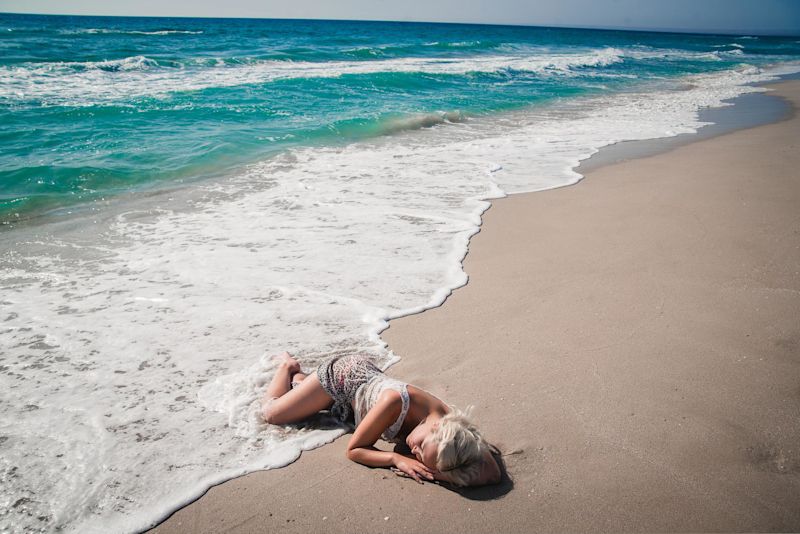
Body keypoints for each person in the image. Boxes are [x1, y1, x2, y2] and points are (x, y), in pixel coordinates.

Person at [261, 352, 501, 486]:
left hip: (361, 394)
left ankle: (301, 382)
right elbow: (354, 449)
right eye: (421, 446)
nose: (414, 450)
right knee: (272, 414)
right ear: (437, 427)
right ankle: (287, 366)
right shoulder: (394, 402)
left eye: (419, 455)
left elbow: (492, 474)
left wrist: (445, 473)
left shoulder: (456, 432)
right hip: (343, 377)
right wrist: (395, 458)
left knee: (313, 403)